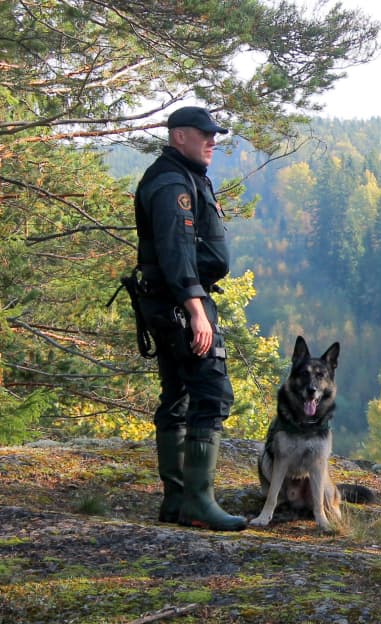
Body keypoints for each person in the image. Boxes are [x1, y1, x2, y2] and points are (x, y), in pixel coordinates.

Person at [133, 106, 246, 531]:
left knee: (178, 394)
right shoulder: (171, 183)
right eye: (204, 134)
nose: (212, 140)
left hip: (169, 302)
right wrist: (195, 308)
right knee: (212, 393)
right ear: (179, 136)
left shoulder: (182, 174)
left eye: (214, 134)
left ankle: (178, 502)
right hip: (181, 303)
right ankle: (197, 502)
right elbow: (176, 249)